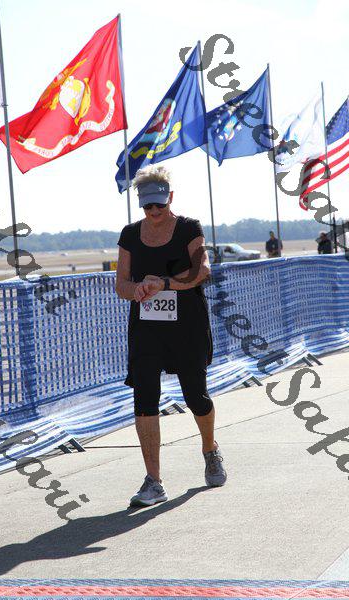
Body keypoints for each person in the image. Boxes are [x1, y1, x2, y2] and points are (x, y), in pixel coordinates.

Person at [116, 165, 226, 507]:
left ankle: (210, 449)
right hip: (146, 329)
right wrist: (137, 289)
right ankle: (154, 481)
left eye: (159, 205)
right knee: (144, 398)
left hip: (187, 326)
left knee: (196, 396)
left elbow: (202, 271)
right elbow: (121, 284)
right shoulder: (130, 235)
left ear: (170, 198)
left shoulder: (189, 228)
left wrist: (163, 283)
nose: (153, 211)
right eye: (147, 205)